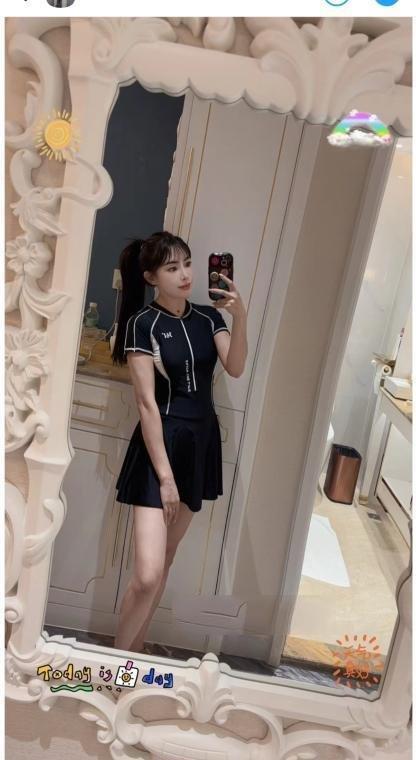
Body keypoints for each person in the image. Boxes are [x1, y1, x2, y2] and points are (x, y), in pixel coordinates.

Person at [111, 231, 248, 653]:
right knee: (147, 573)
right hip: (160, 445)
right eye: (172, 268)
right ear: (152, 277)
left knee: (166, 560)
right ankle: (116, 663)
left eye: (187, 263)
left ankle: (134, 652)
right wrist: (166, 478)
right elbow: (146, 404)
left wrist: (240, 315)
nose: (185, 274)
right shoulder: (142, 324)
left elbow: (236, 367)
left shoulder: (208, 318)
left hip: (199, 444)